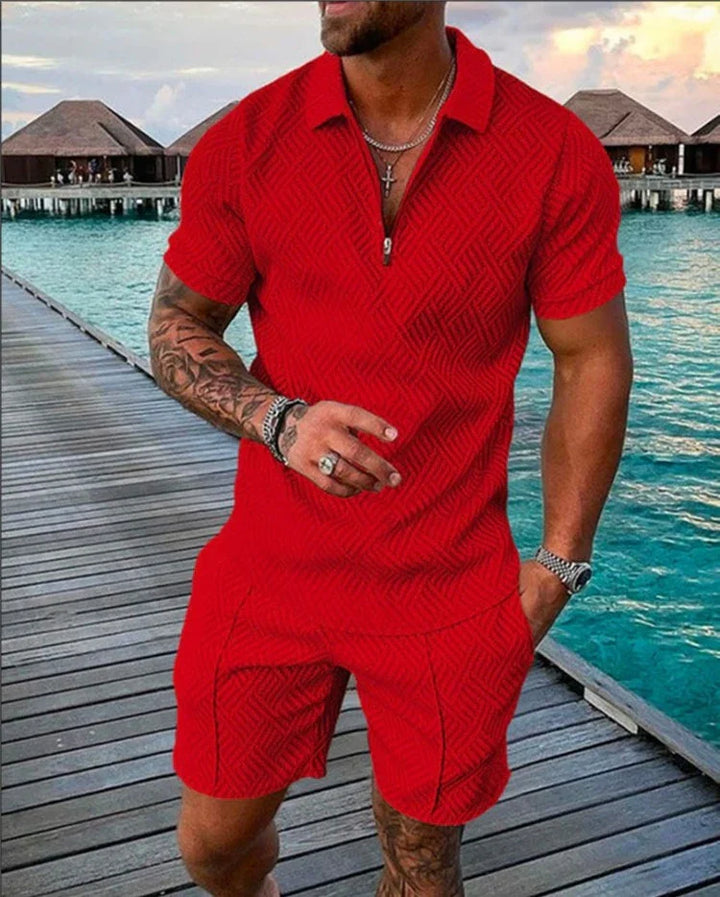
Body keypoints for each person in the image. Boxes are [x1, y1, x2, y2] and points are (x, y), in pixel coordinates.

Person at [148, 3, 632, 896]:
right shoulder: (246, 142)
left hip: (447, 587)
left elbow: (590, 355)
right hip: (270, 570)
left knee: (421, 868)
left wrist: (561, 560)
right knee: (211, 845)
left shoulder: (552, 150)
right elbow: (176, 324)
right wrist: (279, 420)